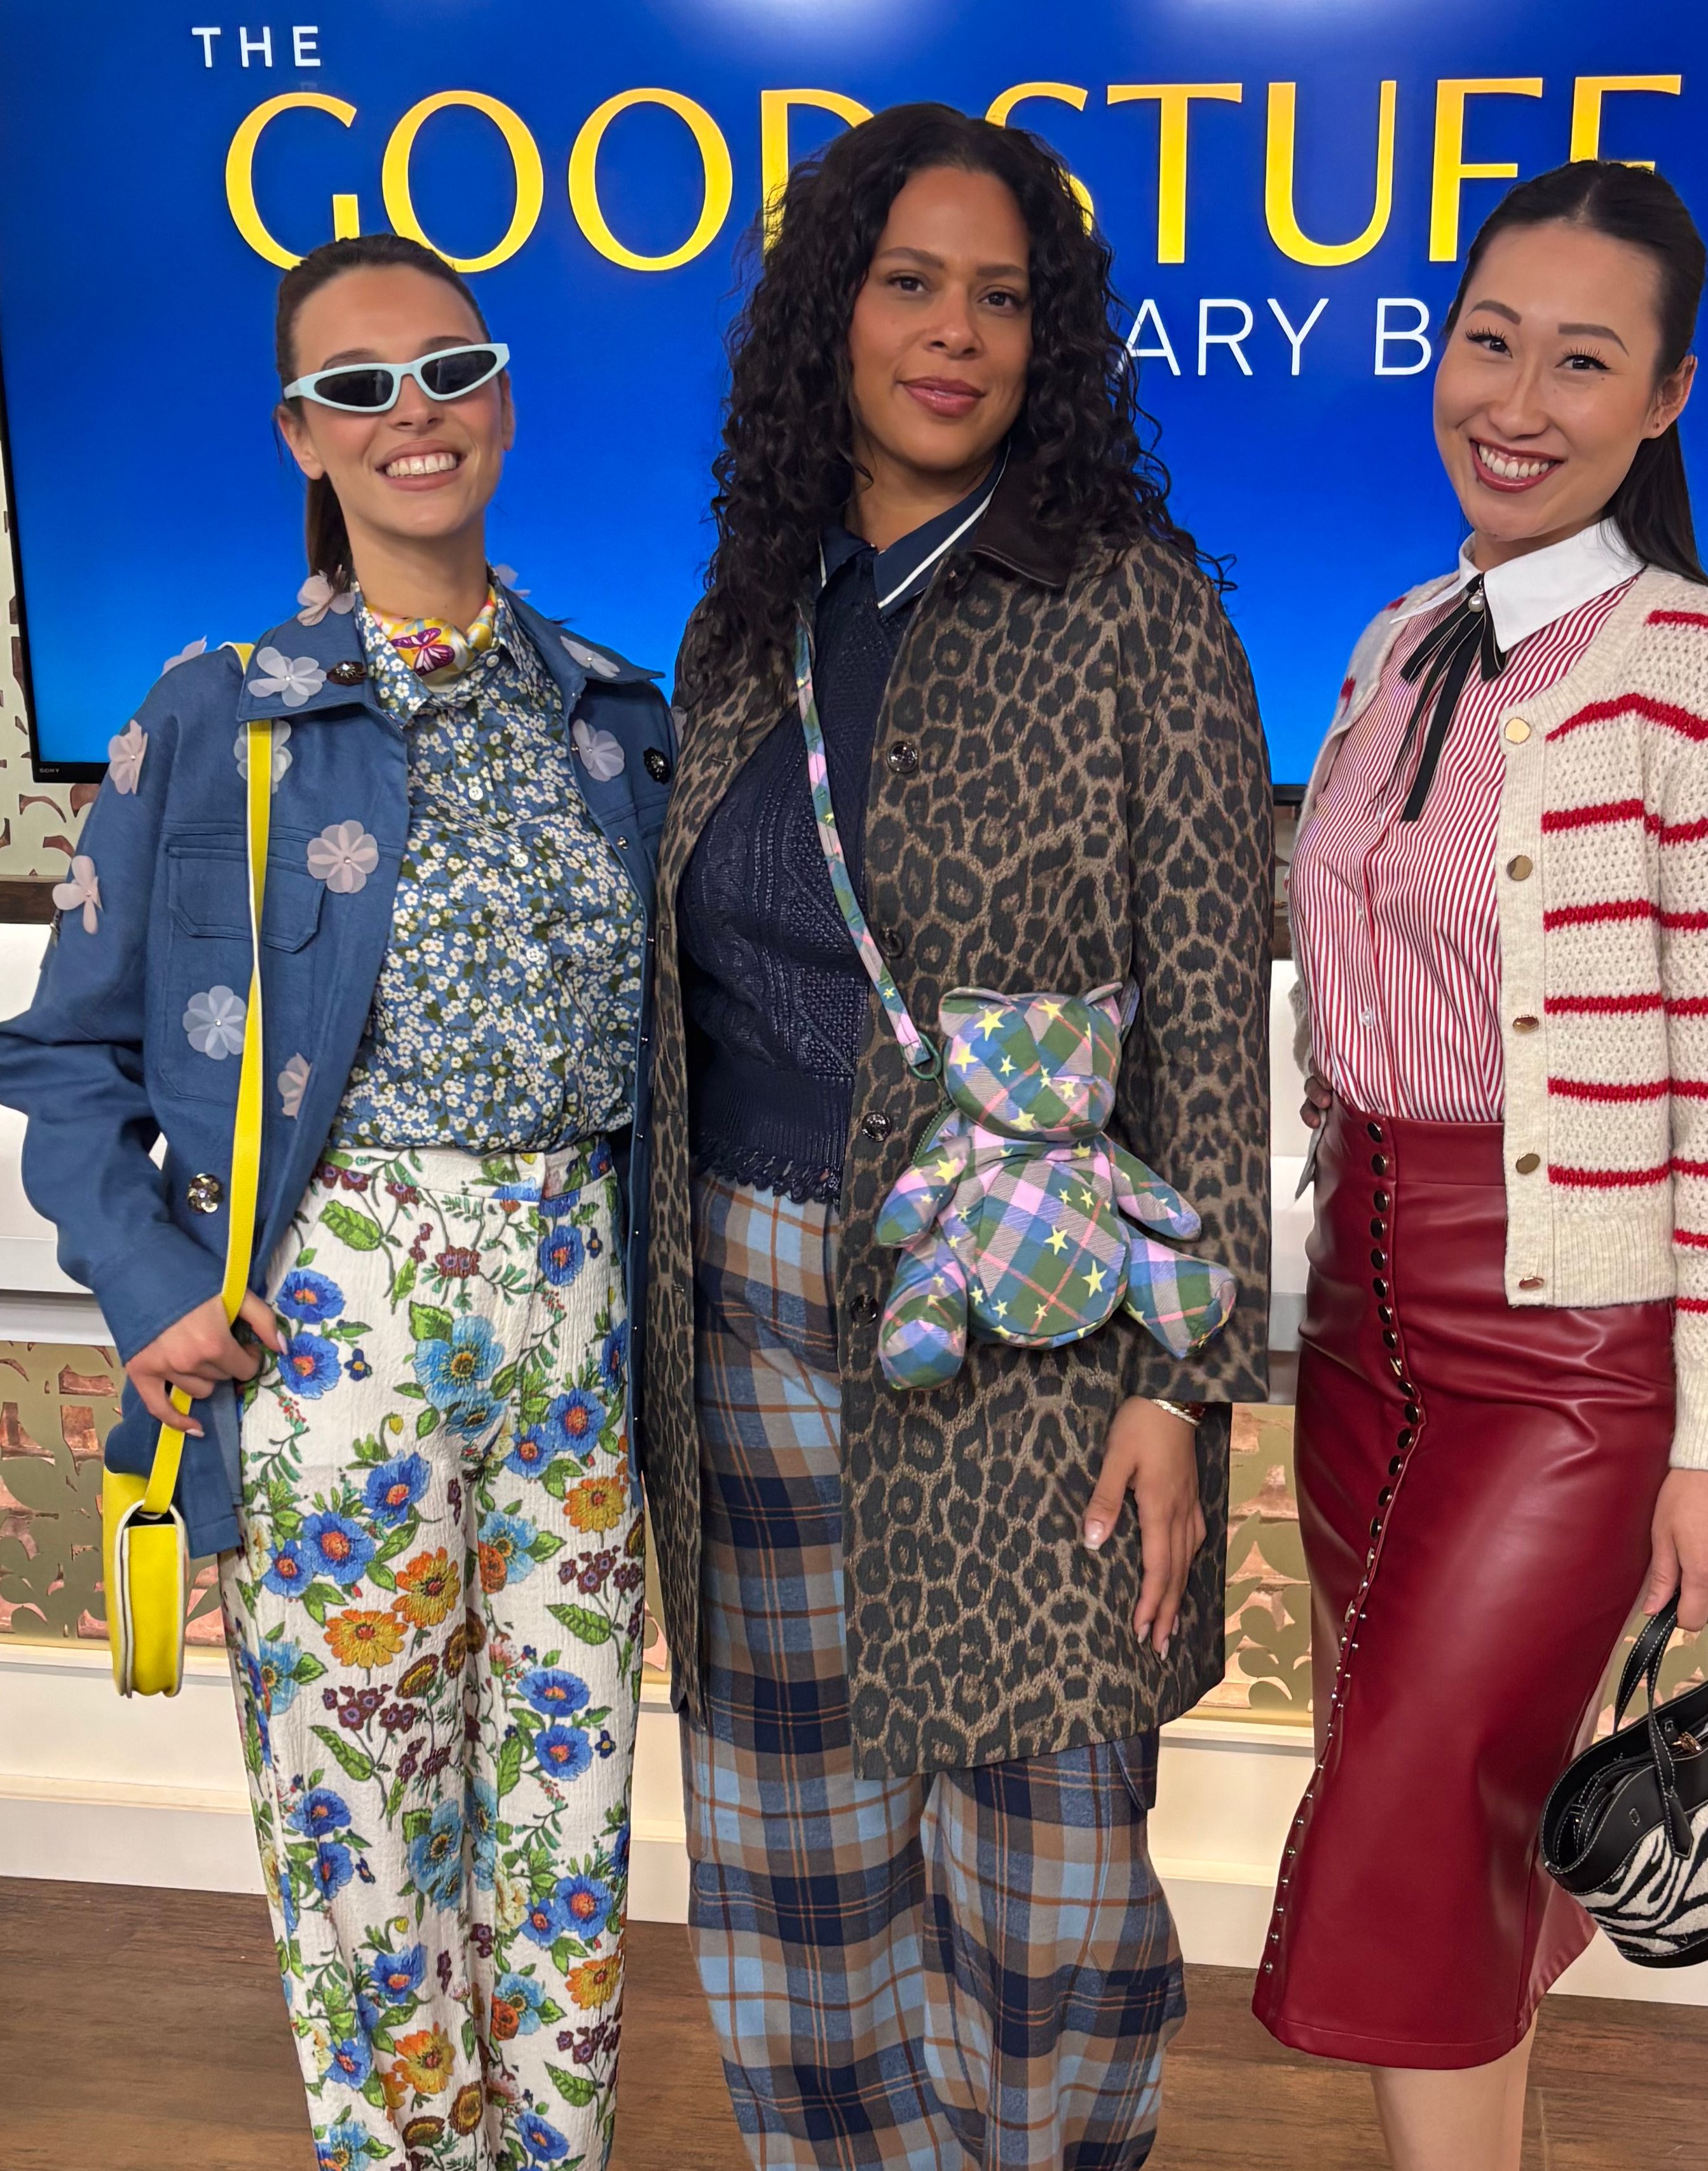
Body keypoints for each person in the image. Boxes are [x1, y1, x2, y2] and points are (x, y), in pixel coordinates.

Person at [0, 233, 673, 2171]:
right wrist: (148, 1287)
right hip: (331, 1341)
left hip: (581, 1327)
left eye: (446, 370)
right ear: (301, 433)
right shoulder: (216, 717)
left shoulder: (614, 720)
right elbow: (60, 1054)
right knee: (366, 1832)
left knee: (563, 1824)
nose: (409, 417)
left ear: (503, 397)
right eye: (354, 388)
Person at [636, 103, 1273, 2171]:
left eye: (1000, 298)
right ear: (826, 314)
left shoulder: (1131, 609)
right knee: (793, 1856)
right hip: (742, 1316)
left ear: (1047, 342)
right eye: (907, 283)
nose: (953, 334)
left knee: (1047, 1877)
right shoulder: (748, 620)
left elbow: (1210, 1024)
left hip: (1031, 1334)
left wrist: (1178, 1381)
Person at [1255, 161, 1708, 2167]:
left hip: (1565, 1357)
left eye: (1581, 361)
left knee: (1415, 1814)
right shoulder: (1397, 640)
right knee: (1451, 1815)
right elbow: (1346, 1008)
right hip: (1363, 1326)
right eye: (1487, 342)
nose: (1516, 399)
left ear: (1663, 399)